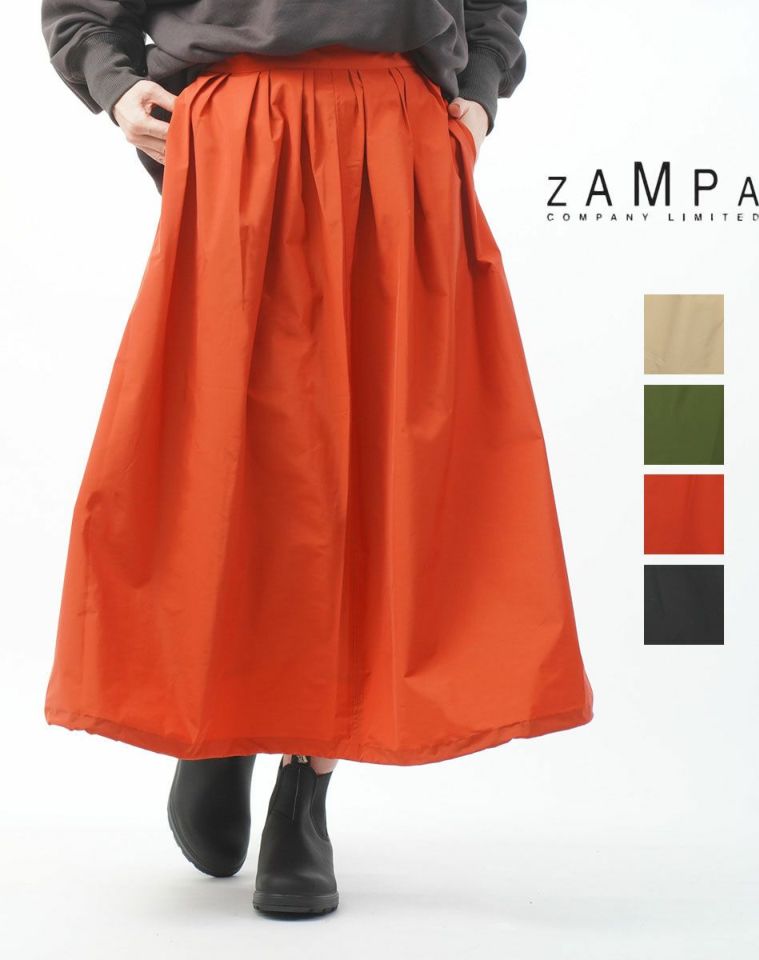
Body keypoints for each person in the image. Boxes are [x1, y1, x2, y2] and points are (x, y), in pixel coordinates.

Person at [40, 1, 594, 918]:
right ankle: (220, 718)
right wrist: (115, 87)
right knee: (222, 457)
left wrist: (481, 93)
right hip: (237, 134)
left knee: (366, 467)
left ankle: (306, 780)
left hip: (397, 133)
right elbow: (84, 8)